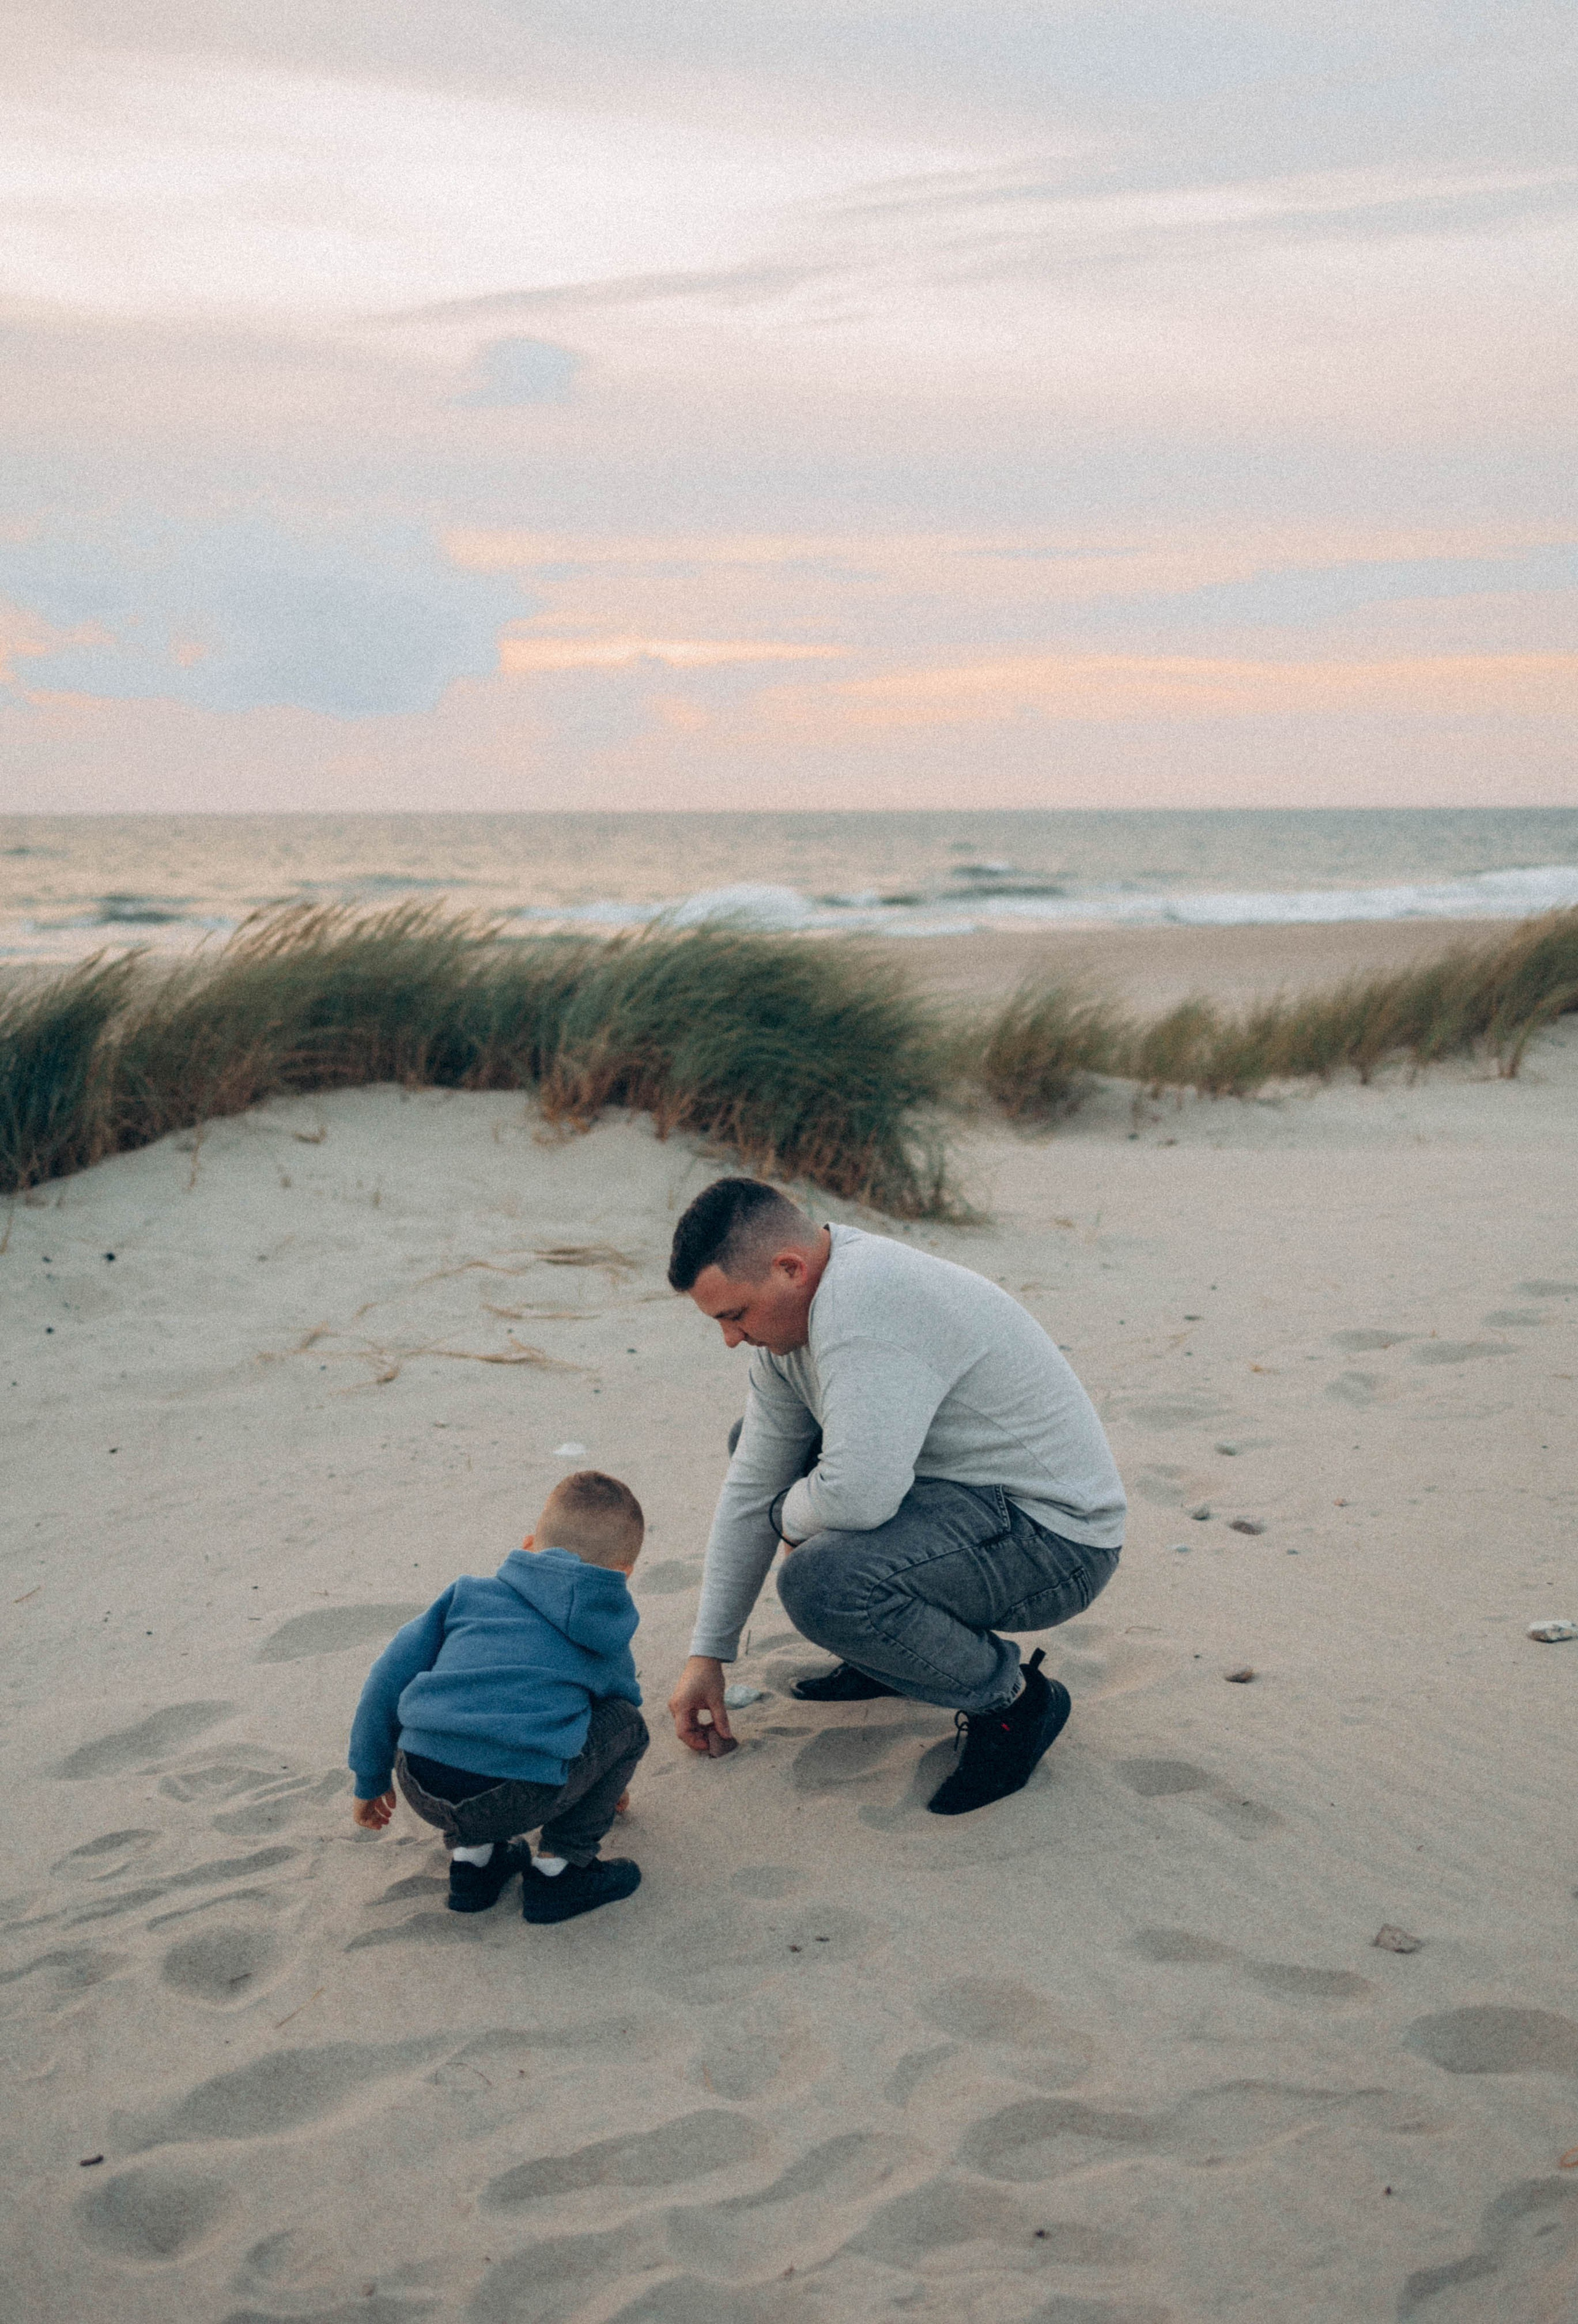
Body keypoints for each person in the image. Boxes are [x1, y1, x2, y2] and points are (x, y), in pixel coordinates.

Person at [665, 1179, 1126, 1815]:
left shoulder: (865, 1302)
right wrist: (706, 1655)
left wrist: (786, 1515)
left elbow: (854, 1499)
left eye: (735, 1314)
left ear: (790, 1268)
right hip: (966, 1502)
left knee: (821, 1582)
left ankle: (1015, 1703)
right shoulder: (790, 1337)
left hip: (1057, 1539)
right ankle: (889, 1655)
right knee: (760, 1449)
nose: (730, 1339)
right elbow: (752, 1485)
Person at [348, 1470, 648, 1923]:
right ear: (622, 1575)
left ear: (528, 1545)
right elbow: (613, 1724)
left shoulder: (465, 1595)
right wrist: (608, 1790)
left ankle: (475, 1865)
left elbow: (385, 1680)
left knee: (471, 1713)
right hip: (519, 1794)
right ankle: (560, 1872)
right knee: (627, 1722)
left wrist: (370, 1777)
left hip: (420, 1781)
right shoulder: (604, 1635)